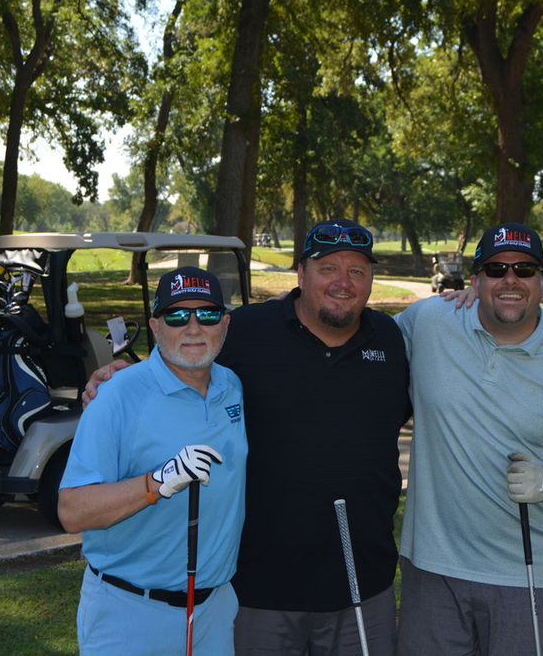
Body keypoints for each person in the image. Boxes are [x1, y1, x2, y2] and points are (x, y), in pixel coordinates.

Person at [85, 219, 411, 655]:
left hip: (362, 585)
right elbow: (183, 355)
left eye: (357, 270)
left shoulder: (389, 340)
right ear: (301, 274)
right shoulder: (249, 330)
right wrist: (119, 376)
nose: (343, 282)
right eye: (328, 267)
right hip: (261, 591)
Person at [396, 223, 543, 655]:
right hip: (433, 569)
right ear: (475, 281)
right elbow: (358, 346)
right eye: (496, 270)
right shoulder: (429, 321)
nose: (510, 280)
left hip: (531, 577)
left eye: (525, 269)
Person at [58, 266, 247, 655]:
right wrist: (157, 482)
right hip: (130, 611)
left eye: (207, 315)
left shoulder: (233, 386)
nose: (193, 328)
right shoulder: (115, 395)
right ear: (156, 326)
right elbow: (72, 511)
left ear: (225, 324)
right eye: (177, 316)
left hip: (215, 609)